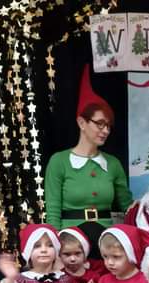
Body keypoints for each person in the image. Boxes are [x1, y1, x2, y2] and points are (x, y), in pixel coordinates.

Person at [44, 65, 132, 250]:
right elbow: (53, 211)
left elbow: (128, 207)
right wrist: (57, 247)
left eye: (108, 126)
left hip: (106, 243)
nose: (105, 131)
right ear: (81, 122)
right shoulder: (59, 161)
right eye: (100, 124)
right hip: (70, 243)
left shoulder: (113, 164)